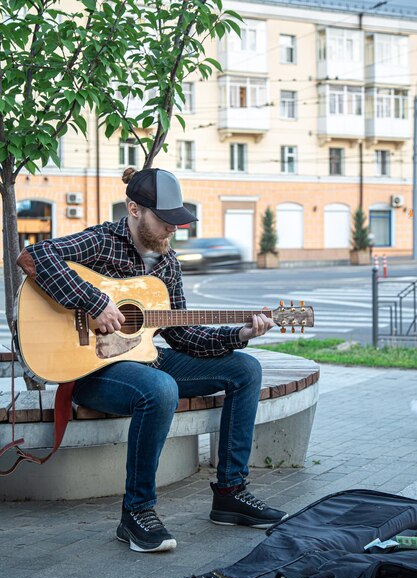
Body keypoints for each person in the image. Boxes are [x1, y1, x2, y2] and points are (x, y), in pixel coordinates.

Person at [17, 167, 287, 553]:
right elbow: (33, 256)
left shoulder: (167, 263)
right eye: (165, 221)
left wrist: (239, 334)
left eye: (177, 222)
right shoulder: (101, 242)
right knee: (161, 388)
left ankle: (230, 493)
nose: (172, 230)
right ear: (134, 209)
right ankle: (136, 513)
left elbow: (182, 335)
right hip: (93, 371)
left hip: (146, 359)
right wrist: (93, 302)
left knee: (245, 369)